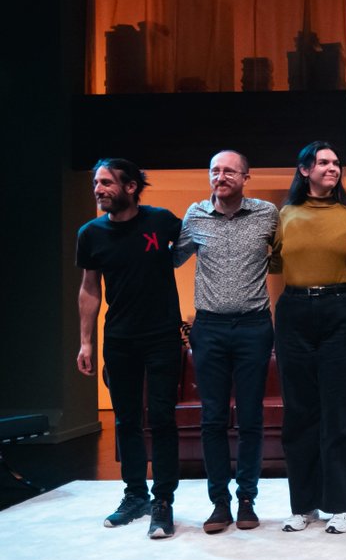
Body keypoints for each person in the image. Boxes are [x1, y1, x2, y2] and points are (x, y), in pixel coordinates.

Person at [272, 141, 346, 534]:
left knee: (337, 413)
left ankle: (341, 504)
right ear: (304, 170)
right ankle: (304, 505)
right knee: (298, 414)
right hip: (295, 311)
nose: (333, 168)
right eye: (324, 162)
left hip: (341, 311)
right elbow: (273, 260)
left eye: (336, 163)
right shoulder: (284, 216)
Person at [76, 158, 182, 539]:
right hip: (119, 339)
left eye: (106, 183)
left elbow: (190, 246)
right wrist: (86, 341)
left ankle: (163, 501)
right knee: (125, 420)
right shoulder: (91, 233)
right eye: (95, 183)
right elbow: (90, 288)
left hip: (163, 336)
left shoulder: (161, 221)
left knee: (163, 418)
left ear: (131, 186)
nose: (98, 190)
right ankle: (135, 495)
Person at [174, 150, 278, 534]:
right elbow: (172, 259)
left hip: (253, 326)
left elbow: (285, 254)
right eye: (215, 170)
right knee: (213, 418)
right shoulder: (195, 215)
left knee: (251, 418)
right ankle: (219, 502)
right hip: (210, 328)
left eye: (229, 171)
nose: (221, 176)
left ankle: (247, 499)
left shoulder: (267, 214)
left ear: (246, 177)